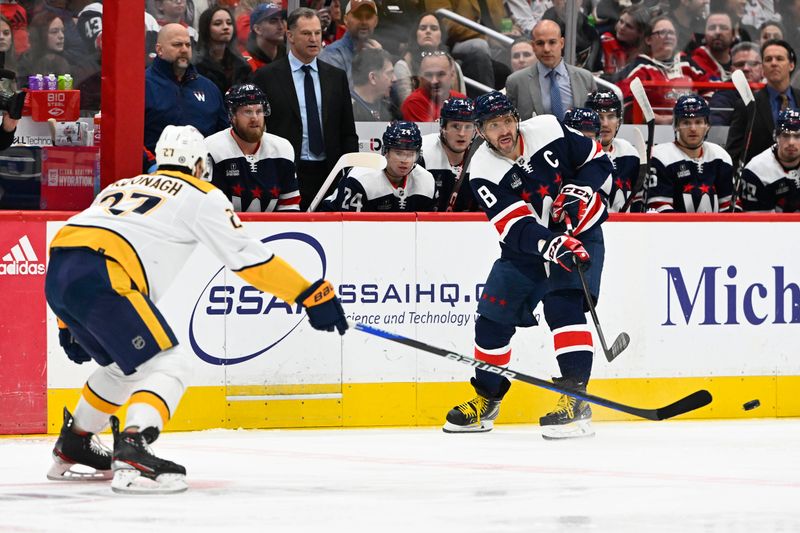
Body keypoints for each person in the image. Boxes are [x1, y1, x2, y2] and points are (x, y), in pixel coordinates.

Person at [45, 125, 348, 494]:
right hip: (105, 273)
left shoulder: (120, 185)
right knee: (170, 363)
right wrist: (307, 293)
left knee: (122, 368)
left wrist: (65, 322)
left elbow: (78, 237)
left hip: (60, 270)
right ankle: (135, 446)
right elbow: (248, 259)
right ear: (201, 164)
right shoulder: (203, 193)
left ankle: (75, 441)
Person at [442, 91, 612, 440]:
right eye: (493, 125)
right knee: (491, 320)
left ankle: (575, 401)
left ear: (516, 119)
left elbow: (598, 160)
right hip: (527, 251)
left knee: (564, 307)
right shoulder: (483, 172)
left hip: (580, 232)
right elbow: (516, 227)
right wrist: (550, 244)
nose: (503, 130)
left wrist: (580, 188)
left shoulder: (549, 128)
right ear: (480, 131)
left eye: (507, 121)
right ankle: (486, 399)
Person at [252, 7, 358, 211]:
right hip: (286, 172)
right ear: (290, 36)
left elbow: (347, 132)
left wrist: (348, 172)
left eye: (317, 33)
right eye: (306, 33)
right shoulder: (267, 77)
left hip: (330, 173)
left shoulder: (336, 77)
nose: (314, 39)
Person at [206, 83, 301, 211]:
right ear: (232, 116)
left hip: (273, 230)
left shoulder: (282, 149)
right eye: (247, 112)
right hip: (225, 229)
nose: (255, 118)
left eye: (259, 111)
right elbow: (209, 209)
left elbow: (290, 207)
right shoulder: (211, 149)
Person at [144, 23, 228, 154]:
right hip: (156, 170)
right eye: (177, 45)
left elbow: (224, 135)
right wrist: (149, 164)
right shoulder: (143, 85)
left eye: (188, 45)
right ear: (159, 50)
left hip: (203, 169)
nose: (184, 50)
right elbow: (129, 136)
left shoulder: (209, 88)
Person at [323, 121, 436, 212]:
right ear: (385, 152)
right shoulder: (359, 179)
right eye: (398, 153)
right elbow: (349, 228)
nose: (404, 160)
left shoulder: (427, 182)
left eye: (410, 154)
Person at [647, 94, 734, 212]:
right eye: (686, 123)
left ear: (707, 126)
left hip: (716, 230)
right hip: (675, 230)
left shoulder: (720, 156)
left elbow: (730, 207)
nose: (693, 128)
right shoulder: (661, 157)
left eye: (698, 122)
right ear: (676, 126)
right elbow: (660, 208)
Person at [616, 16, 705, 125]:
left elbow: (710, 93)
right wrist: (663, 121)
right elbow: (628, 106)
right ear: (648, 40)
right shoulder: (640, 67)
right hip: (653, 132)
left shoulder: (688, 64)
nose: (668, 36)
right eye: (662, 32)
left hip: (691, 128)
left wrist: (697, 116)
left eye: (671, 33)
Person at [726, 39, 800, 167]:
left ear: (791, 65)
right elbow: (733, 153)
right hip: (760, 179)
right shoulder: (746, 105)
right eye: (768, 59)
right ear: (762, 68)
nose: (774, 63)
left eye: (779, 58)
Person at [505, 19, 597, 121]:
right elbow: (510, 123)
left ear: (562, 43)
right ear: (533, 46)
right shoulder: (516, 82)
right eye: (540, 43)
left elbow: (595, 120)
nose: (546, 49)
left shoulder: (585, 78)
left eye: (552, 42)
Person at [584, 90, 641, 212]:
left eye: (611, 116)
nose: (605, 124)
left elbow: (638, 201)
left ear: (619, 121)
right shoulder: (579, 155)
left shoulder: (629, 152)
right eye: (599, 117)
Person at [419, 97, 479, 211]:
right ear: (442, 127)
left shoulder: (482, 157)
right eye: (455, 126)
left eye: (468, 127)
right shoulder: (423, 151)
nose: (462, 133)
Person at [392, 12, 466, 104]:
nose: (428, 31)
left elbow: (463, 104)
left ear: (441, 36)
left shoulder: (454, 66)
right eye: (423, 28)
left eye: (434, 28)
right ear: (416, 35)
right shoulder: (403, 65)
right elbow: (407, 105)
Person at [741, 108, 800, 212]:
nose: (791, 142)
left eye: (798, 136)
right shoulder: (755, 171)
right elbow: (758, 224)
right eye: (785, 135)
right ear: (776, 136)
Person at [318, 0, 380, 83]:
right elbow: (341, 93)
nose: (364, 22)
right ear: (346, 20)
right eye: (358, 16)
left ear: (376, 21)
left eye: (368, 16)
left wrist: (380, 58)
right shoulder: (331, 55)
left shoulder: (377, 51)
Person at [195, 5, 250, 95]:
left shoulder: (242, 65)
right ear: (206, 28)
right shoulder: (196, 66)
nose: (226, 27)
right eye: (217, 23)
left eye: (229, 23)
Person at [400, 50, 465, 122]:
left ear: (452, 75)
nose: (434, 81)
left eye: (440, 74)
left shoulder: (462, 100)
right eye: (429, 75)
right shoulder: (414, 103)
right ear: (421, 77)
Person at [709, 42, 762, 126]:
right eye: (740, 64)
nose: (746, 68)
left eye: (752, 64)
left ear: (762, 68)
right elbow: (717, 128)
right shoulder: (723, 96)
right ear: (731, 70)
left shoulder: (771, 90)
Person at [598, 5, 651, 79]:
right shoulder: (603, 40)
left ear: (640, 33)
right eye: (621, 21)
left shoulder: (645, 57)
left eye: (629, 26)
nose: (622, 27)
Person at [350, 47, 398, 121]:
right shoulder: (347, 110)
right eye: (389, 73)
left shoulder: (389, 108)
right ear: (373, 78)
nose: (394, 79)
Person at [689, 12, 735, 81]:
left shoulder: (741, 64)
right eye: (712, 28)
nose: (717, 32)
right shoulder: (692, 65)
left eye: (723, 28)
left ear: (733, 35)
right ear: (704, 34)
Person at [242, 2, 287, 72]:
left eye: (282, 20)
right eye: (273, 21)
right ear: (257, 29)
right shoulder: (245, 64)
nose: (281, 26)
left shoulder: (289, 56)